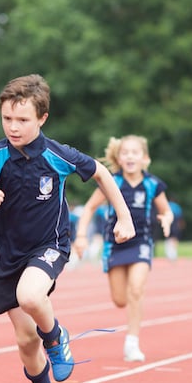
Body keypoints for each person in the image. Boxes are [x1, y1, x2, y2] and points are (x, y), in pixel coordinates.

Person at [0, 74, 136, 383]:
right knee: (26, 341)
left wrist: (124, 217)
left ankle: (57, 336)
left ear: (42, 118)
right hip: (6, 258)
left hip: (49, 246)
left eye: (23, 120)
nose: (13, 127)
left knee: (30, 296)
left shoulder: (57, 155)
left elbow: (102, 174)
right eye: (7, 119)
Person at [72, 135, 174, 363]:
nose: (130, 156)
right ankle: (131, 308)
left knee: (136, 290)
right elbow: (88, 209)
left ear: (145, 158)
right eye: (125, 152)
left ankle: (132, 342)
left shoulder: (152, 184)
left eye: (135, 152)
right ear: (119, 157)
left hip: (141, 243)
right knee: (120, 299)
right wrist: (80, 237)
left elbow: (166, 210)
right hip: (115, 245)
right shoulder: (112, 182)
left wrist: (166, 219)